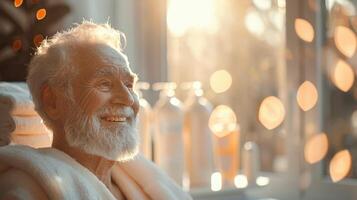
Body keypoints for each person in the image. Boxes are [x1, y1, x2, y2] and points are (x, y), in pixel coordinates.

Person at [0, 21, 192, 200]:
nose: (128, 99)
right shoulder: (24, 190)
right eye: (104, 84)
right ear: (53, 101)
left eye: (129, 84)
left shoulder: (142, 180)